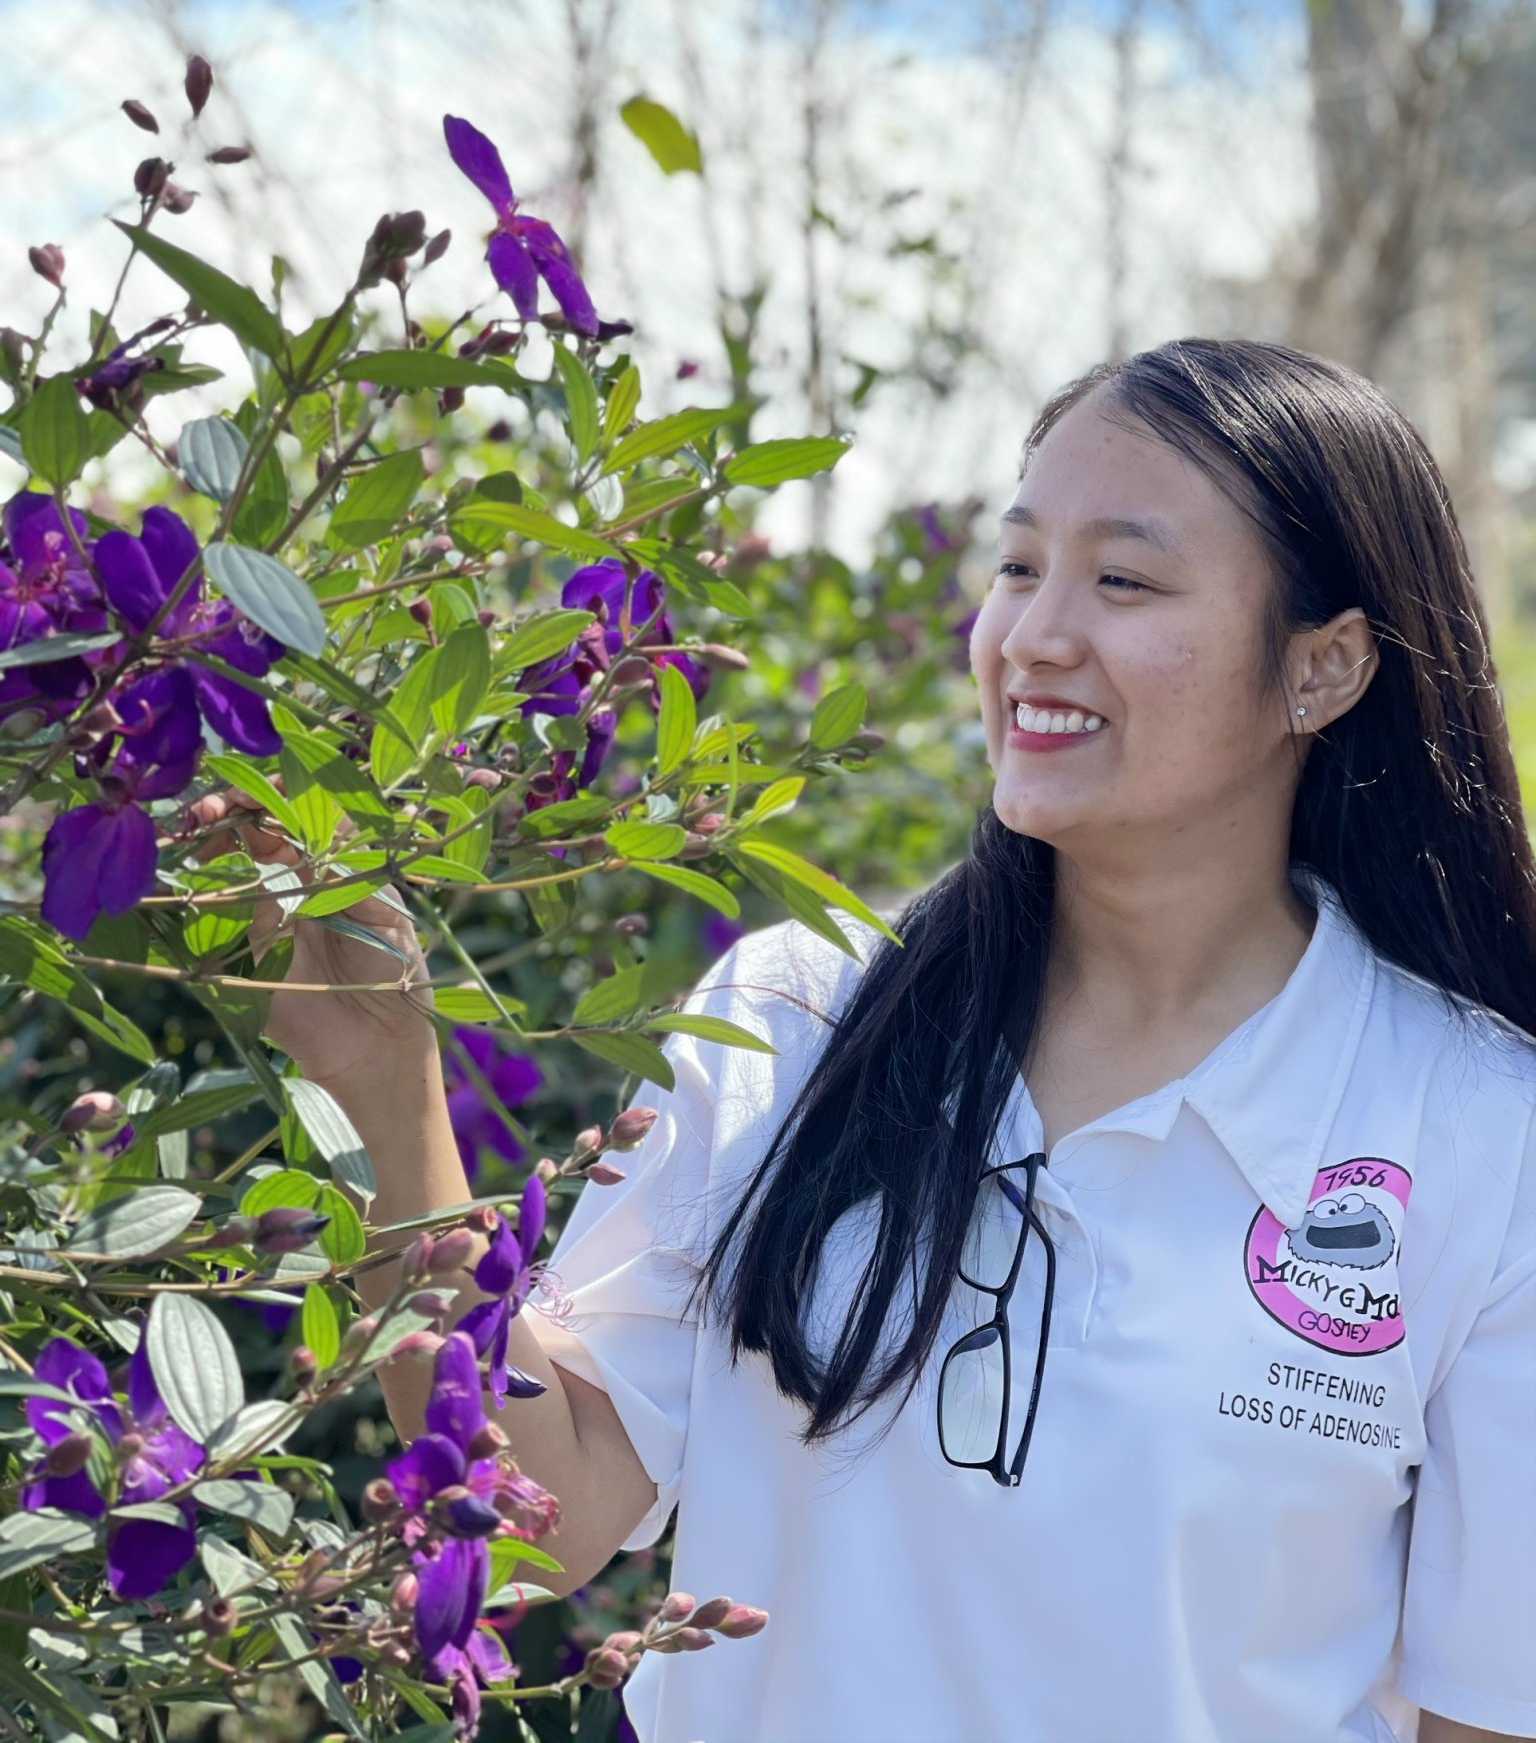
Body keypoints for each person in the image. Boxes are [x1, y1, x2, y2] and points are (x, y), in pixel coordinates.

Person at [240, 338, 1535, 1743]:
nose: (1033, 635)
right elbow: (541, 1516)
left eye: (1123, 580)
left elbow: (1484, 1709)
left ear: (1324, 666)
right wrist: (391, 1099)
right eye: (1019, 566)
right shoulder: (794, 1018)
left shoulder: (1481, 1131)